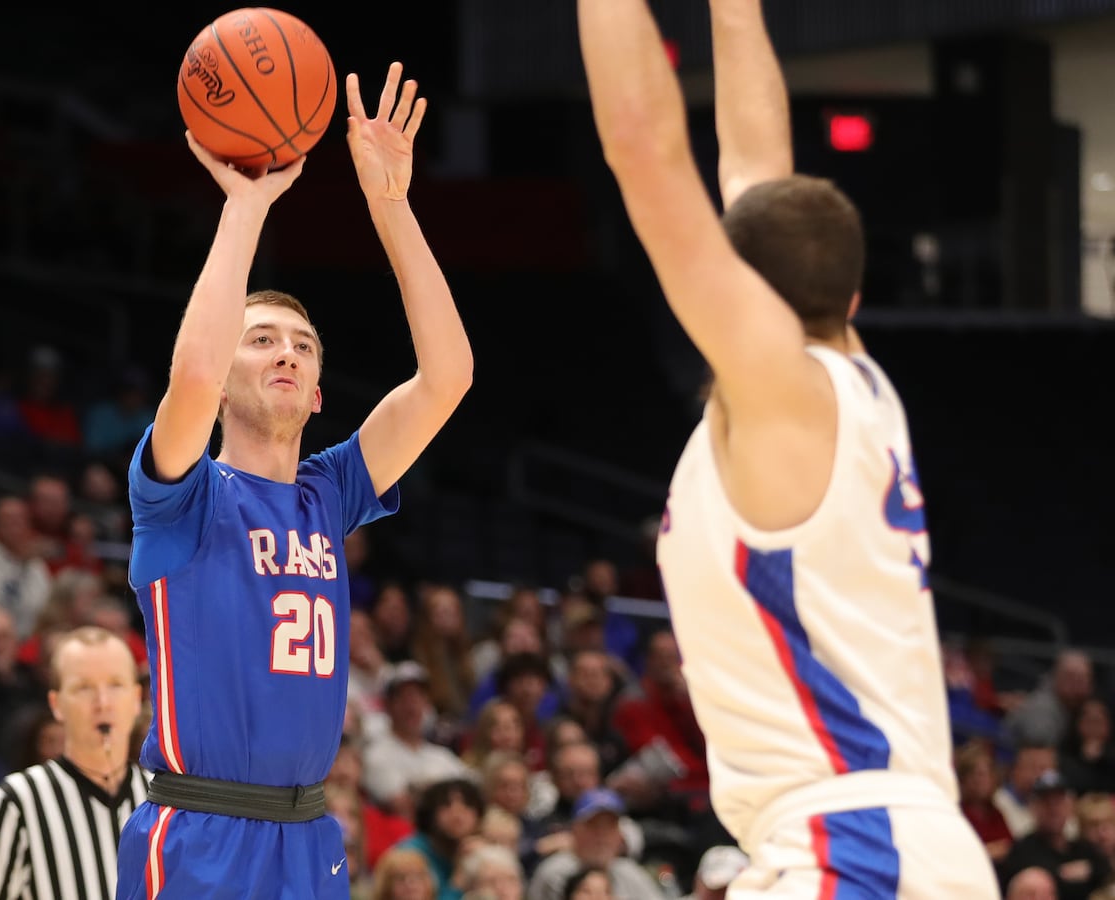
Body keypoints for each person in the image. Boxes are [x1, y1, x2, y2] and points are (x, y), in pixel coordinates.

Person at [575, 0, 999, 896]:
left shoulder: (780, 397)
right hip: (883, 836)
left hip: (855, 847)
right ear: (848, 297)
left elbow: (645, 149)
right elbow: (759, 174)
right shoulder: (847, 379)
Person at [113, 61, 473, 900]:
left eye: (302, 346)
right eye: (261, 338)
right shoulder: (180, 496)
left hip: (309, 834)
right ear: (227, 375)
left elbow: (448, 375)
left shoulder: (330, 491)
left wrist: (391, 203)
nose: (285, 350)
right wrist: (246, 206)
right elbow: (191, 378)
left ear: (315, 395)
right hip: (198, 829)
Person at [0, 626, 147, 899]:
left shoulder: (163, 802)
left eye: (115, 685)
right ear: (56, 704)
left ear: (136, 699)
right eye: (84, 688)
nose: (102, 702)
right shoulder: (15, 802)